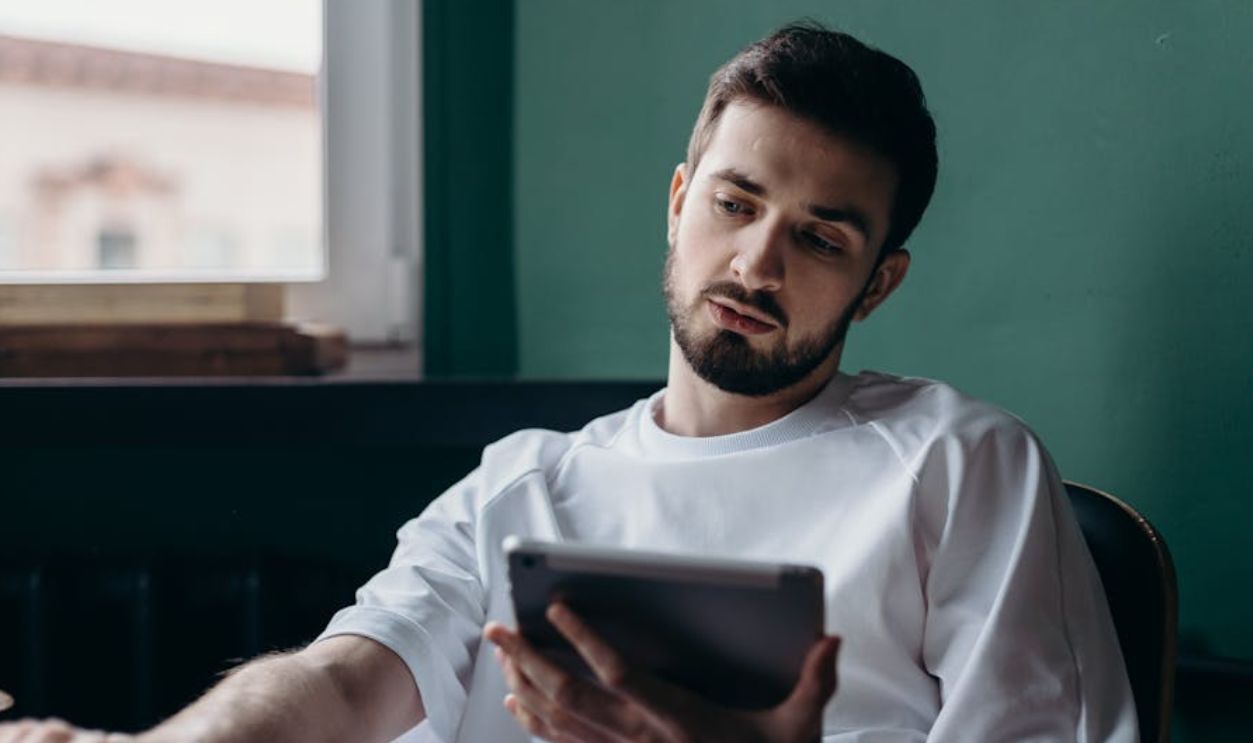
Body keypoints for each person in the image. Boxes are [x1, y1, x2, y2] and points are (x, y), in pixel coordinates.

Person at [0, 22, 1137, 743]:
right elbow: (341, 684)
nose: (754, 263)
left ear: (877, 283)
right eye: (735, 205)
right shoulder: (524, 483)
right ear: (679, 198)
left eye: (819, 237)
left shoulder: (955, 461)